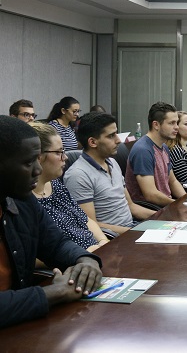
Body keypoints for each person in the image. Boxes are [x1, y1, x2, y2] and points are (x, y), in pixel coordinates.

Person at [0, 116, 102, 329]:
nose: (38, 170)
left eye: (37, 160)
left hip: (22, 326)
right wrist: (54, 293)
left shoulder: (23, 201)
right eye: (28, 163)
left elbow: (56, 244)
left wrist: (86, 260)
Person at [64, 112, 156, 234]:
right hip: (113, 238)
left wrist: (165, 217)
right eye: (111, 136)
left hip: (131, 228)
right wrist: (136, 232)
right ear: (92, 142)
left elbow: (131, 206)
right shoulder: (78, 175)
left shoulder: (112, 163)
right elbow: (90, 225)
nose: (118, 140)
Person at [29, 122, 109, 251]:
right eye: (59, 152)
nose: (65, 157)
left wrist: (103, 241)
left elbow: (85, 219)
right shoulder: (24, 200)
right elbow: (31, 252)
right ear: (39, 157)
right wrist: (81, 254)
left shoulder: (55, 184)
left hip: (95, 251)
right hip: (74, 259)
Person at [125, 102, 187, 207]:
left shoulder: (164, 147)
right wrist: (179, 205)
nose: (177, 127)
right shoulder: (143, 150)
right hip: (152, 210)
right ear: (156, 125)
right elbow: (151, 195)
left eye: (177, 123)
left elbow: (173, 181)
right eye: (171, 123)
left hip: (166, 205)